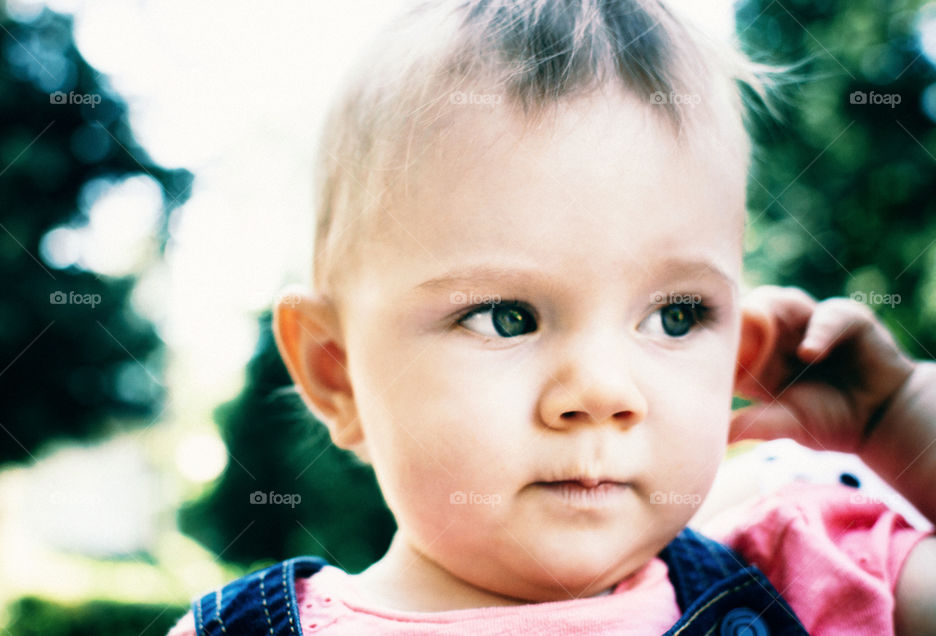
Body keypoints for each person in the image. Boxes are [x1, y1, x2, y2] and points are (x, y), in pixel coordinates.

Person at [168, 0, 936, 633]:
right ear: (337, 374)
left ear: (741, 351)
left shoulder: (803, 579)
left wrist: (901, 420)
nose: (603, 392)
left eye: (674, 317)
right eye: (506, 316)